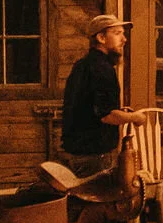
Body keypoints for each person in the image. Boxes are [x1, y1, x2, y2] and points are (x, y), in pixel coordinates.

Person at [59, 14, 145, 178]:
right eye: (118, 33)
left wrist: (121, 113)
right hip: (94, 157)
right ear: (101, 37)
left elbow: (91, 108)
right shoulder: (102, 69)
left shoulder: (82, 65)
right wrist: (136, 117)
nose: (124, 39)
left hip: (76, 154)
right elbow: (106, 116)